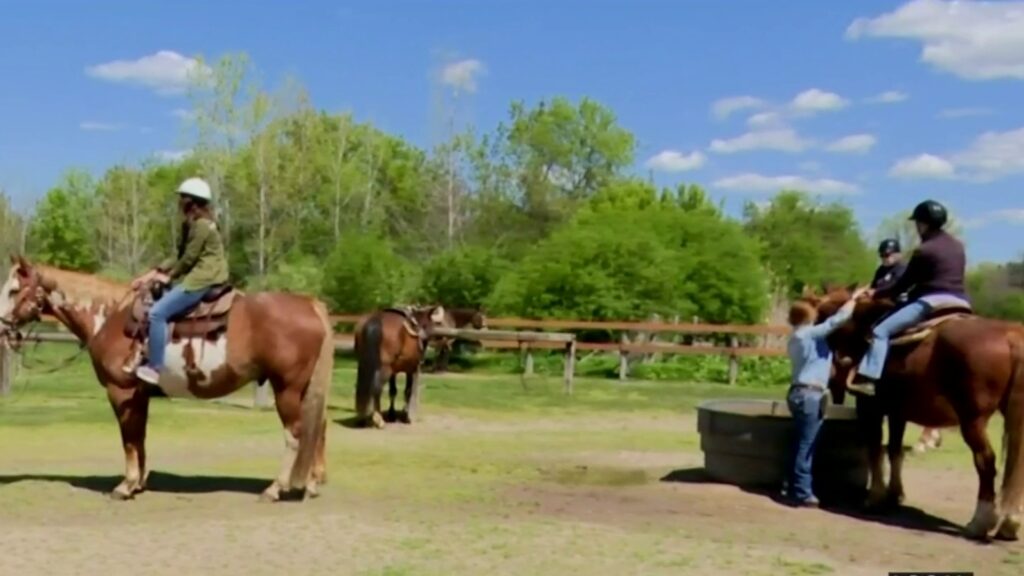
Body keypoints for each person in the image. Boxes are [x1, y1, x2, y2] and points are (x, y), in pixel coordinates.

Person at [847, 200, 970, 396]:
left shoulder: (925, 249)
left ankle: (869, 379)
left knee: (880, 331)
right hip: (961, 302)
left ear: (923, 224)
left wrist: (876, 293)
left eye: (917, 223)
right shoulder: (958, 247)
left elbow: (903, 285)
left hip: (933, 301)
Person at [130, 177, 229, 384]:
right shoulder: (190, 225)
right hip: (198, 275)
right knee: (155, 302)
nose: (180, 201)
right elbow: (178, 255)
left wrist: (169, 276)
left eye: (183, 197)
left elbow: (189, 259)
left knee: (157, 314)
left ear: (192, 201)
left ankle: (155, 367)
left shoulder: (203, 226)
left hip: (203, 278)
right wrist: (150, 275)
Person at [784, 285, 870, 507]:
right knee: (807, 444)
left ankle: (792, 485)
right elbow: (837, 321)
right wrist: (853, 298)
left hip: (799, 393)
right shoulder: (809, 334)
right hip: (810, 395)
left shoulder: (798, 338)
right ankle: (803, 492)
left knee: (800, 442)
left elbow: (822, 356)